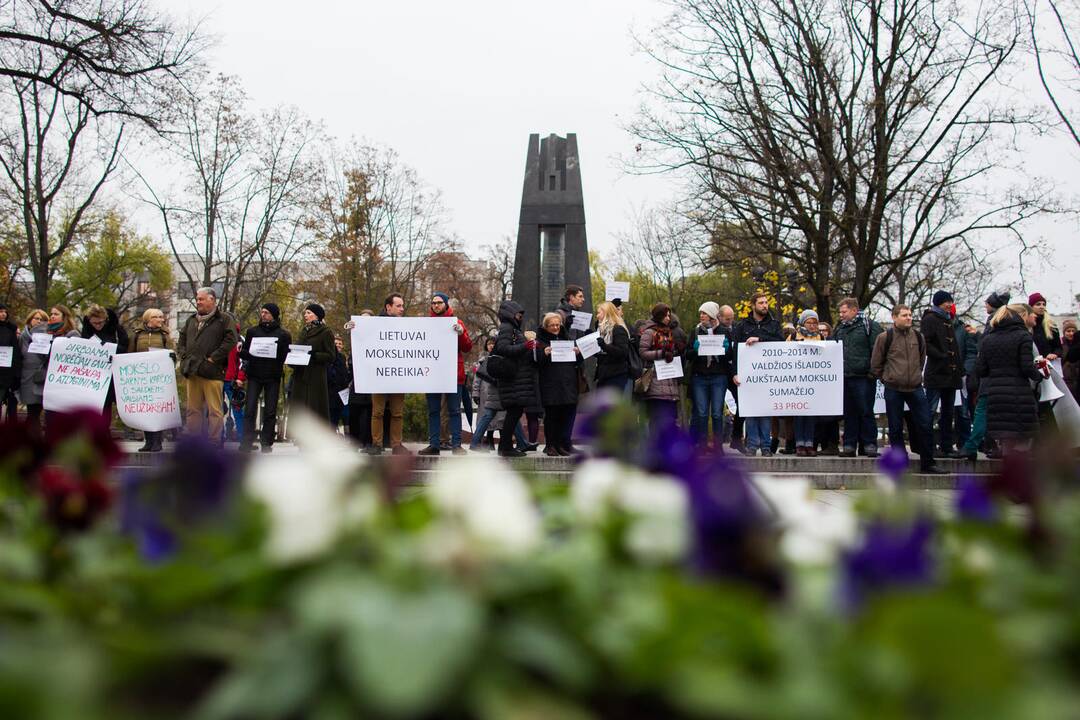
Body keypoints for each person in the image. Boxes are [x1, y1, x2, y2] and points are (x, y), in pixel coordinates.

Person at [871, 305, 943, 474]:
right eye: (904, 315)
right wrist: (887, 378)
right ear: (894, 317)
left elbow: (921, 359)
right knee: (895, 428)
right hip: (893, 387)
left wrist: (916, 376)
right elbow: (876, 364)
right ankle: (899, 463)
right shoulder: (884, 337)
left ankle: (928, 462)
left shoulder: (918, 336)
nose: (909, 318)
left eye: (910, 315)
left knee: (925, 424)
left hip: (915, 387)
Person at [976, 303, 1044, 453]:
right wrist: (1039, 376)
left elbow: (981, 370)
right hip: (1019, 394)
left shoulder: (988, 340)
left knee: (1005, 440)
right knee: (1022, 441)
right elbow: (1026, 366)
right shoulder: (1023, 336)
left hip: (996, 395)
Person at [178, 288, 237, 444]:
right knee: (192, 410)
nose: (198, 302)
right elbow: (182, 339)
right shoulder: (191, 320)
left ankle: (214, 441)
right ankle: (194, 442)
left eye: (202, 299)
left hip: (213, 372)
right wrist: (183, 356)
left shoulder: (223, 319)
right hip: (192, 371)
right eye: (197, 299)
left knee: (215, 411)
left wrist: (214, 358)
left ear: (212, 300)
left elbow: (231, 340)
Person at [419, 292, 472, 455]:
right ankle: (434, 445)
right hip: (432, 373)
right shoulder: (426, 324)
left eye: (439, 302)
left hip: (453, 373)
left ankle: (457, 445)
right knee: (433, 410)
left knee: (454, 410)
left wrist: (461, 333)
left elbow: (467, 347)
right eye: (433, 303)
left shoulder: (457, 322)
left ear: (446, 304)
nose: (435, 305)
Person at [732, 292, 784, 455]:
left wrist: (759, 339)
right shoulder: (742, 326)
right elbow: (735, 351)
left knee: (766, 410)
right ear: (753, 305)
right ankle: (752, 445)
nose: (764, 305)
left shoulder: (774, 324)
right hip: (748, 376)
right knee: (751, 410)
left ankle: (766, 446)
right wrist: (735, 373)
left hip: (769, 375)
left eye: (766, 302)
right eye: (761, 303)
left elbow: (781, 343)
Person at [962, 291, 1010, 460]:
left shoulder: (991, 328)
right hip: (1005, 378)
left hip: (989, 379)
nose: (985, 305)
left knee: (982, 411)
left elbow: (982, 352)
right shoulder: (1010, 331)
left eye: (987, 303)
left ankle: (972, 445)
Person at [238, 303, 291, 453]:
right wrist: (241, 352)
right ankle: (246, 442)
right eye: (262, 312)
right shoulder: (252, 331)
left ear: (274, 314)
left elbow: (285, 356)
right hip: (254, 375)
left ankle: (266, 442)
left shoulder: (283, 334)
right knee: (249, 409)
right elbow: (248, 353)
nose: (263, 315)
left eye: (266, 312)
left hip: (272, 376)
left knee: (270, 410)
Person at [834, 297, 884, 458]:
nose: (841, 315)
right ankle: (849, 444)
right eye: (840, 312)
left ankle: (869, 444)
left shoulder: (870, 326)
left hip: (864, 377)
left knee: (866, 411)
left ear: (854, 310)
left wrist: (872, 372)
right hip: (845, 376)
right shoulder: (840, 328)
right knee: (849, 412)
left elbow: (878, 351)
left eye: (844, 311)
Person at [21, 306, 80, 430]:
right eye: (51, 314)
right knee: (45, 417)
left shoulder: (72, 334)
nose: (52, 316)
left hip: (62, 382)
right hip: (46, 380)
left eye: (56, 314)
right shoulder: (45, 333)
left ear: (64, 317)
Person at [921, 291, 964, 458]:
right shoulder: (930, 319)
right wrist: (941, 355)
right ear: (939, 303)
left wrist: (959, 368)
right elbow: (927, 343)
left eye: (950, 301)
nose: (949, 304)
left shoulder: (949, 320)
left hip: (951, 375)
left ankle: (947, 445)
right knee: (930, 411)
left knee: (948, 412)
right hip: (936, 373)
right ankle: (929, 446)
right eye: (946, 301)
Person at [470, 336, 530, 452]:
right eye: (489, 344)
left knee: (511, 414)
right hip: (496, 390)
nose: (491, 345)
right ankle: (475, 443)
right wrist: (476, 393)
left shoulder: (495, 354)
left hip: (499, 390)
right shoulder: (495, 356)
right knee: (503, 414)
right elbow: (480, 378)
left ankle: (522, 442)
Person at [368, 293, 410, 455]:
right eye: (398, 306)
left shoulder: (406, 327)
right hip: (379, 375)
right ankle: (376, 444)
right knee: (377, 412)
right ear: (388, 307)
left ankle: (396, 445)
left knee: (397, 413)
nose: (402, 309)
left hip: (398, 375)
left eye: (402, 306)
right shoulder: (374, 325)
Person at [494, 300, 537, 458]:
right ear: (510, 314)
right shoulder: (507, 328)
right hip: (512, 380)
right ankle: (505, 447)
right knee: (513, 413)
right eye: (518, 314)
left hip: (516, 380)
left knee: (515, 413)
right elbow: (503, 349)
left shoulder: (512, 328)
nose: (520, 317)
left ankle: (505, 446)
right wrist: (524, 347)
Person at [686, 301, 732, 447]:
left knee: (717, 413)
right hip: (700, 377)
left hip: (719, 376)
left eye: (704, 313)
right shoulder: (696, 331)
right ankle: (702, 445)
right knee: (702, 413)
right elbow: (688, 354)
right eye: (701, 313)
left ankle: (718, 446)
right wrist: (695, 350)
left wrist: (725, 349)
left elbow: (730, 356)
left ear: (712, 315)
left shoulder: (724, 331)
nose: (701, 316)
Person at [536, 311, 582, 456]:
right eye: (552, 325)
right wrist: (545, 353)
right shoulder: (540, 341)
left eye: (558, 325)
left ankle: (564, 444)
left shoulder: (566, 338)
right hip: (551, 384)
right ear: (546, 327)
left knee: (567, 415)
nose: (556, 328)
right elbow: (535, 361)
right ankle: (551, 445)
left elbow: (578, 363)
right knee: (552, 416)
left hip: (568, 384)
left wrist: (578, 353)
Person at [128, 308, 174, 452]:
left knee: (157, 411)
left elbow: (173, 352)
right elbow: (130, 354)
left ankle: (157, 442)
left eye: (162, 317)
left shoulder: (165, 336)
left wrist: (172, 357)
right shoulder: (137, 335)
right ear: (148, 319)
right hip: (142, 380)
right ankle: (148, 441)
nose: (161, 319)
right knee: (145, 411)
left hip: (158, 380)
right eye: (157, 317)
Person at [638, 303, 682, 427]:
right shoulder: (649, 332)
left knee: (671, 421)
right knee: (657, 420)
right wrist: (661, 353)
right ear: (659, 316)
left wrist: (676, 351)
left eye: (669, 316)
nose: (669, 318)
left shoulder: (668, 332)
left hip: (669, 381)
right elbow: (643, 352)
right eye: (666, 316)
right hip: (655, 381)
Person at [289, 303, 335, 422]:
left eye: (309, 313)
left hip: (315, 376)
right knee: (300, 407)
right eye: (305, 313)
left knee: (314, 408)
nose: (305, 315)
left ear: (317, 316)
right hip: (300, 374)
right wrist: (292, 358)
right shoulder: (304, 331)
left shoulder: (326, 332)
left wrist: (314, 355)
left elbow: (331, 356)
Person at [789, 309, 824, 456]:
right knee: (799, 413)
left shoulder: (820, 337)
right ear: (803, 323)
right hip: (797, 381)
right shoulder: (793, 336)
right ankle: (799, 444)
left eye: (814, 323)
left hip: (813, 381)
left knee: (811, 413)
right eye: (809, 322)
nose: (812, 326)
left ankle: (810, 443)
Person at [346, 309, 375, 448]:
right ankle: (354, 442)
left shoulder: (377, 337)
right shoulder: (355, 338)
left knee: (369, 412)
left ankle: (368, 441)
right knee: (354, 411)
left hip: (372, 381)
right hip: (357, 382)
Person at [595, 301, 631, 392]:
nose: (597, 316)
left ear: (606, 313)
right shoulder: (602, 331)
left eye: (599, 313)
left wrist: (604, 346)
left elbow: (622, 352)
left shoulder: (618, 329)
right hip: (604, 375)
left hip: (616, 375)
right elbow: (601, 353)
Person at [0, 302, 21, 421]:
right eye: (0, 312)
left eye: (4, 312)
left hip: (7, 373)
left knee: (11, 404)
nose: (3, 314)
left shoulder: (11, 329)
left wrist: (16, 373)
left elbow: (16, 352)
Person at [1028, 292, 1062, 361]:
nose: (1042, 306)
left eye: (1044, 304)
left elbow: (1058, 347)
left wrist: (1055, 354)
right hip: (1031, 364)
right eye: (1038, 304)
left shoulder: (1051, 325)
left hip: (1049, 364)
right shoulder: (1026, 325)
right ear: (1031, 307)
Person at [327, 336, 351, 431]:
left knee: (340, 415)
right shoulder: (329, 356)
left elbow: (344, 373)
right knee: (331, 415)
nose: (338, 345)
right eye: (335, 343)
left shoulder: (343, 357)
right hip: (331, 391)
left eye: (339, 344)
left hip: (342, 392)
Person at [1063, 319, 1079, 403]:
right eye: (1068, 331)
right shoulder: (1061, 346)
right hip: (1067, 380)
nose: (1071, 333)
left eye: (1073, 331)